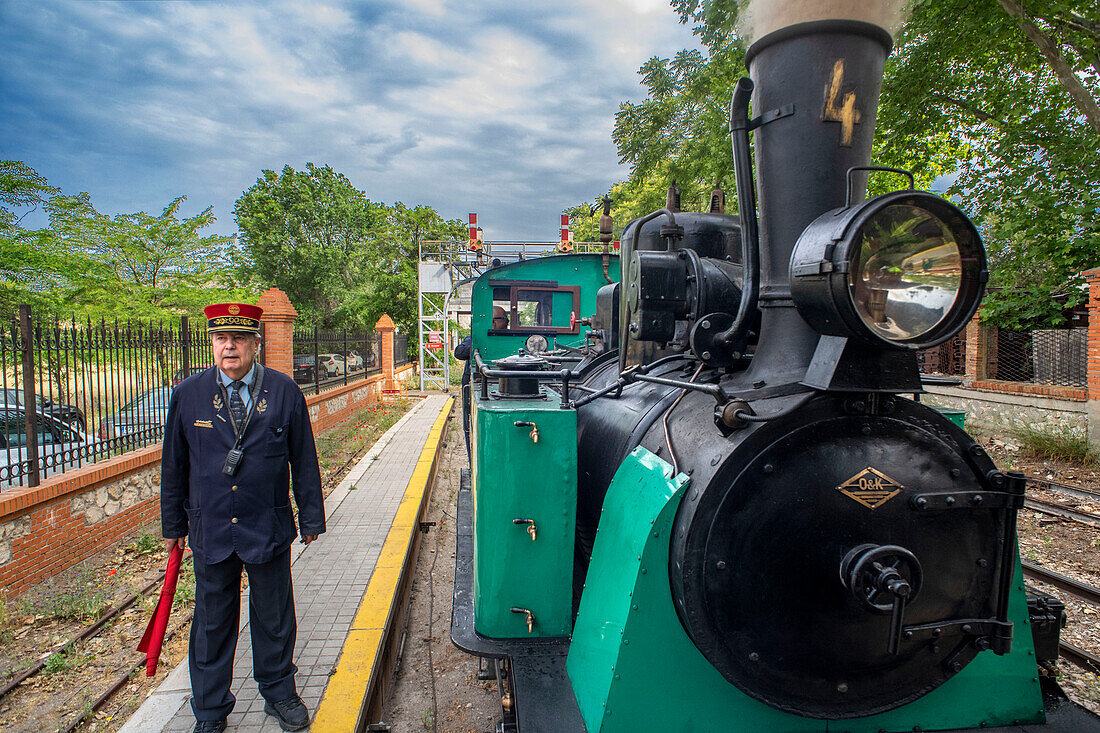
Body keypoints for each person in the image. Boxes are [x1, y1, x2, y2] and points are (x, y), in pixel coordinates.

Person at [161, 303, 325, 733]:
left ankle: (279, 693)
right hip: (211, 527)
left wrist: (311, 520)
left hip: (266, 524)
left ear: (256, 343)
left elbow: (303, 460)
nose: (228, 346)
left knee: (274, 616)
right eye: (220, 338)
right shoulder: (188, 394)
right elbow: (173, 465)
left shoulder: (285, 391)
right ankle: (211, 711)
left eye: (237, 339)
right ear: (212, 343)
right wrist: (172, 527)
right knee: (212, 624)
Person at [453, 333, 473, 460]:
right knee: (468, 424)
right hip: (472, 385)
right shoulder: (474, 337)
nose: (508, 322)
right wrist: (478, 345)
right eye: (503, 318)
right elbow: (459, 352)